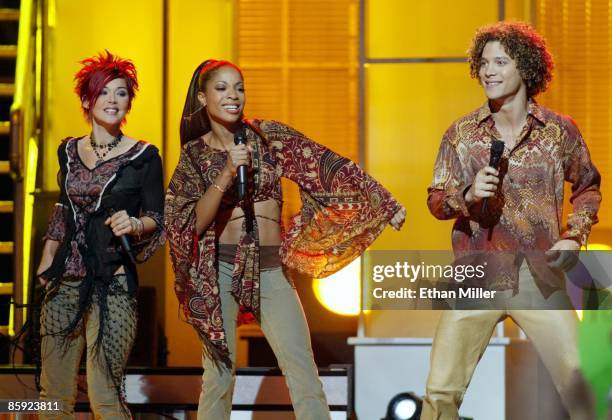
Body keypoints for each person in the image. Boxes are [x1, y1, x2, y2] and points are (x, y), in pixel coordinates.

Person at [165, 59, 406, 419]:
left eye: (239, 87)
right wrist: (228, 171)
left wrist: (382, 202)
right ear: (202, 98)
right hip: (221, 270)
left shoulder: (267, 136)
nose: (233, 95)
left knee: (303, 371)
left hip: (270, 270)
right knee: (218, 376)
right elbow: (186, 224)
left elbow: (326, 166)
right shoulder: (195, 155)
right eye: (222, 88)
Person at [421, 22, 600, 420]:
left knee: (581, 385)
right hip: (477, 274)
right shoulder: (461, 135)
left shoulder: (558, 132)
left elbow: (588, 186)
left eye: (500, 62)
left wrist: (574, 236)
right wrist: (466, 196)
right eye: (483, 63)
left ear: (526, 69)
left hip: (538, 275)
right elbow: (436, 201)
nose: (488, 71)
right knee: (440, 393)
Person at [36, 51, 165, 419]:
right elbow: (63, 205)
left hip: (114, 283)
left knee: (104, 394)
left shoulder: (144, 156)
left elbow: (158, 216)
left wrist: (136, 224)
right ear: (86, 100)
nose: (112, 100)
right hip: (66, 278)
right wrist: (48, 258)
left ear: (129, 102)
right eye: (103, 92)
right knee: (52, 394)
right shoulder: (67, 150)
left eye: (121, 93)